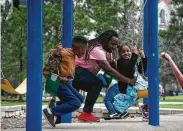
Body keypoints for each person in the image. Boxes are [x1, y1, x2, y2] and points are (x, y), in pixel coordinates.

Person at [73, 30, 136, 122]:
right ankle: (86, 113)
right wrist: (129, 81)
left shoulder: (108, 52)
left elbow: (115, 69)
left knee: (73, 100)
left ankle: (52, 111)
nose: (114, 47)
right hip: (77, 71)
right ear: (105, 41)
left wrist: (127, 68)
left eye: (116, 45)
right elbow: (110, 71)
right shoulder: (97, 50)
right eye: (113, 44)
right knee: (97, 83)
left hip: (85, 75)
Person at [42, 36, 87, 127]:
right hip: (59, 83)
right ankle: (51, 111)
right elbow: (47, 68)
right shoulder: (63, 52)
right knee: (76, 103)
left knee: (80, 98)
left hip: (67, 82)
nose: (85, 52)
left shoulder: (72, 53)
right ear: (78, 48)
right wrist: (55, 52)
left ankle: (56, 107)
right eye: (85, 49)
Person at [116, 44, 148, 120]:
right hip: (130, 91)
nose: (126, 53)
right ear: (119, 54)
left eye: (128, 51)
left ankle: (145, 108)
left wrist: (143, 56)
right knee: (157, 89)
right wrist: (134, 54)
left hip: (137, 89)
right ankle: (145, 108)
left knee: (158, 89)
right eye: (123, 52)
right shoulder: (121, 62)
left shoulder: (131, 62)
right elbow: (129, 69)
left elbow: (142, 70)